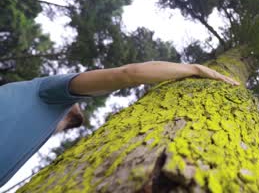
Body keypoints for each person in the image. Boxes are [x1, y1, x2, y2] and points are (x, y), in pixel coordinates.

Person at [0, 61, 239, 186]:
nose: (59, 128)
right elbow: (126, 74)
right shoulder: (44, 90)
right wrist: (194, 68)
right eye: (72, 116)